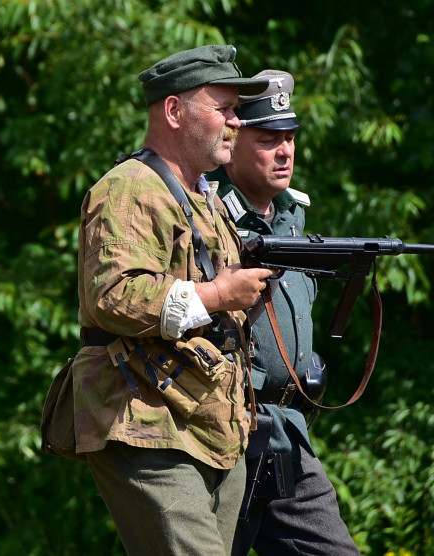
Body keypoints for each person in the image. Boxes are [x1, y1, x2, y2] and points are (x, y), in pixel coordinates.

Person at [72, 45, 276, 556]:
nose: (235, 122)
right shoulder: (130, 188)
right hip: (144, 416)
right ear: (173, 111)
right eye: (223, 109)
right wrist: (217, 293)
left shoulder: (205, 199)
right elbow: (112, 294)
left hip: (208, 422)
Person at [206, 70, 360, 555]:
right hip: (222, 431)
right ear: (232, 139)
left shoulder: (293, 214)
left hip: (286, 431)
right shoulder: (202, 210)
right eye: (268, 139)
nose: (285, 151)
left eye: (289, 138)